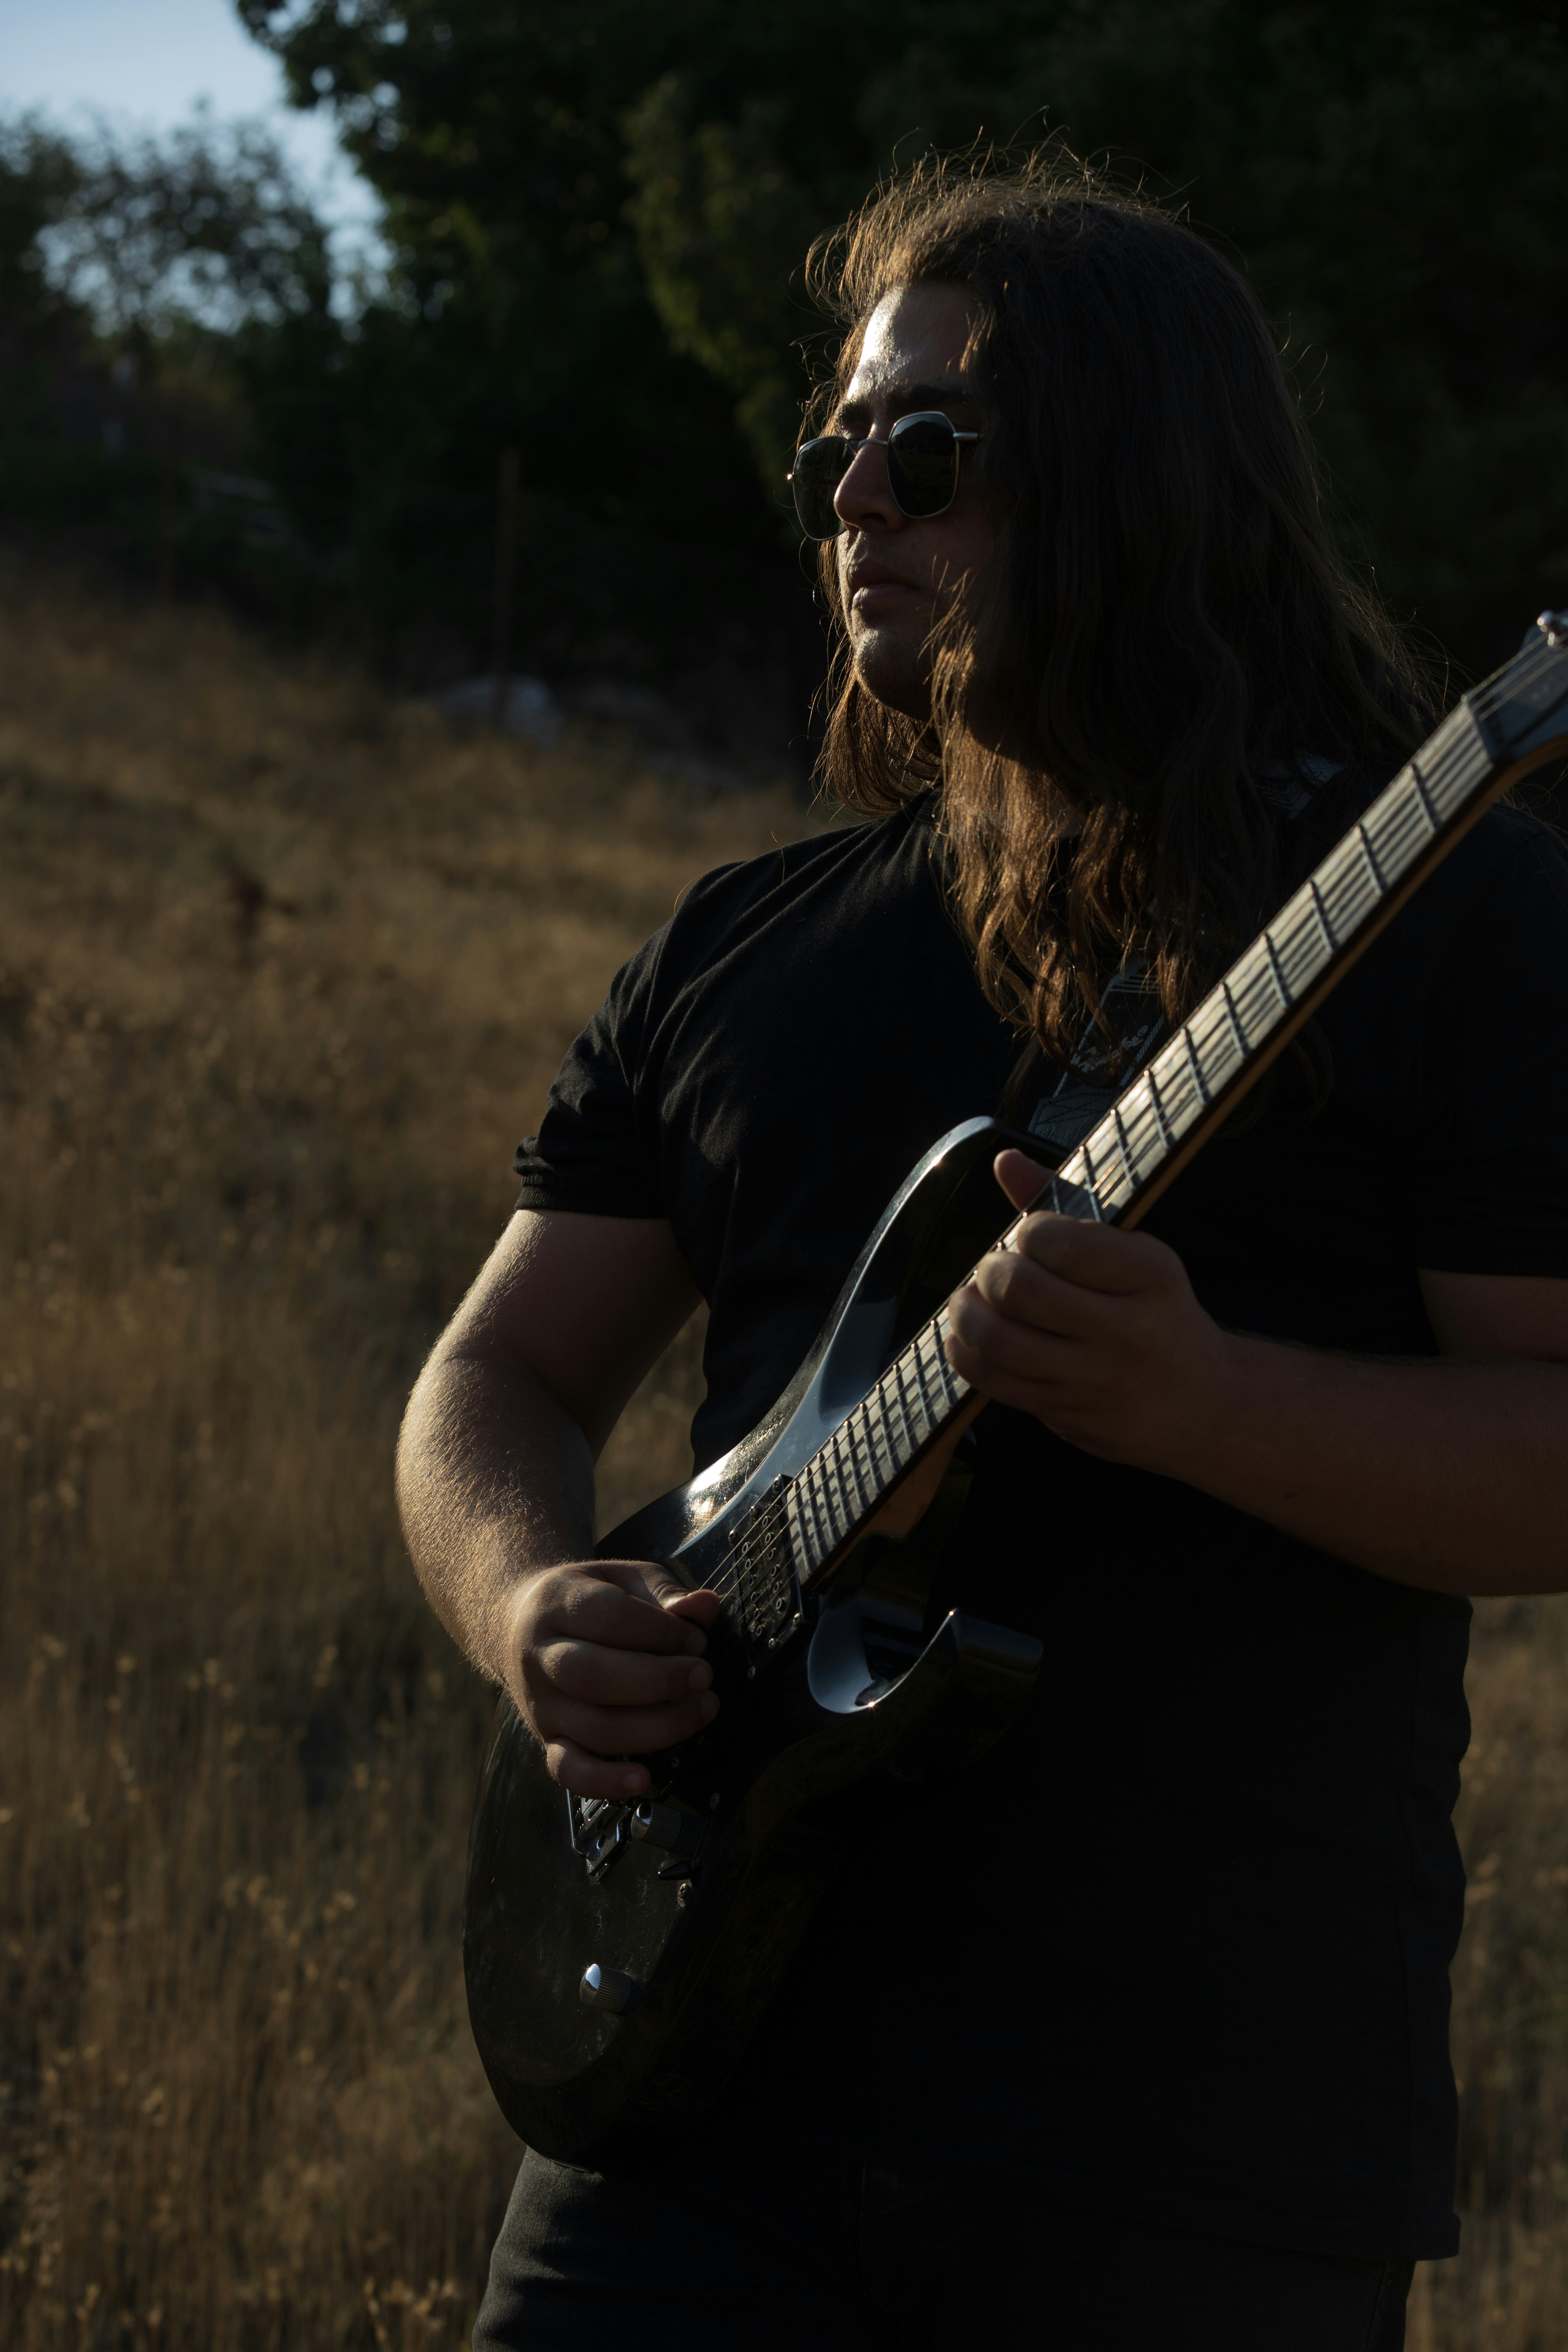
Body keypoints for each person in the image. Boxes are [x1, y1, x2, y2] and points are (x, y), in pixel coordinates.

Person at [396, 160, 1568, 2351]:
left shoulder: (1453, 919)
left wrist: (1214, 1408)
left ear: (1133, 480)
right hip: (687, 2122)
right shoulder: (741, 948)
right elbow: (494, 1383)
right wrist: (524, 1605)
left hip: (1198, 2158)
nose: (861, 506)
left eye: (928, 455)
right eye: (839, 454)